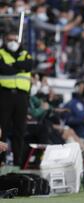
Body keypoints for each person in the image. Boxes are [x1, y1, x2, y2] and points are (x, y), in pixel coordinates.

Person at [0, 29, 33, 166]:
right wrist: (19, 67)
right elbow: (3, 69)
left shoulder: (25, 54)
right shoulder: (1, 53)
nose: (13, 42)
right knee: (2, 129)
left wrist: (12, 65)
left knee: (20, 130)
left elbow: (29, 66)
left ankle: (18, 163)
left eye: (15, 39)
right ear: (5, 40)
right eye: (10, 39)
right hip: (5, 95)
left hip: (21, 97)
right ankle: (1, 161)